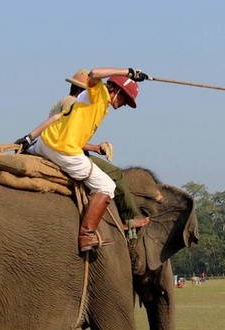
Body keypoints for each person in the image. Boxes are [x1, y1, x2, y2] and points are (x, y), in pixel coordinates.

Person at [17, 66, 149, 252]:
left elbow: (55, 118)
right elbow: (94, 73)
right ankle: (86, 236)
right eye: (124, 99)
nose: (123, 104)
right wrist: (127, 72)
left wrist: (29, 138)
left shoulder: (82, 101)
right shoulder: (99, 93)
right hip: (65, 152)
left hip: (45, 144)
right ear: (117, 90)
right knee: (107, 186)